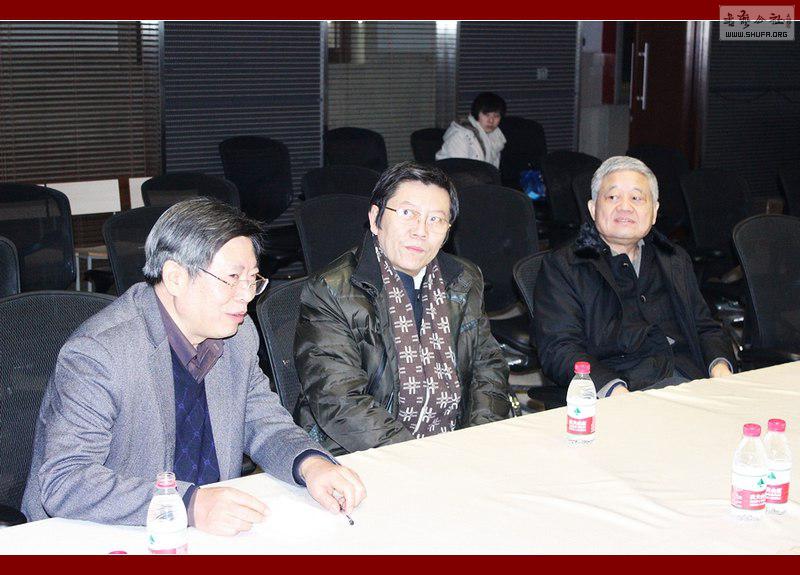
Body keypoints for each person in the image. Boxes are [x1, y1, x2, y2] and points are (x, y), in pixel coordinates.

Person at [22, 198, 365, 535]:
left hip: (205, 532)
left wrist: (310, 463)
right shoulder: (101, 352)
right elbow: (66, 479)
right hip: (106, 532)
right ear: (175, 277)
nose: (247, 295)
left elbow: (262, 421)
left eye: (253, 279)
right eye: (232, 278)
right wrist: (187, 504)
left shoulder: (238, 334)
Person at [294, 162, 511, 455]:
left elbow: (488, 367)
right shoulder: (330, 290)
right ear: (375, 219)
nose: (421, 231)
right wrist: (416, 457)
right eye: (408, 213)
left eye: (436, 219)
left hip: (453, 444)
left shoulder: (464, 279)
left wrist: (477, 440)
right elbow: (339, 400)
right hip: (355, 450)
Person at [533, 156, 734, 398]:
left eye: (636, 198)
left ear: (654, 212)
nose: (625, 207)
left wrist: (720, 368)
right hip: (623, 388)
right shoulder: (563, 266)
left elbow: (705, 326)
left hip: (690, 380)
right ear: (593, 209)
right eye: (613, 197)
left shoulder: (674, 258)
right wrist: (615, 391)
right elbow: (560, 348)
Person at [435, 92, 507, 168]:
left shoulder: (496, 135)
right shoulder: (460, 135)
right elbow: (458, 171)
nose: (491, 121)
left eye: (496, 116)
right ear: (476, 113)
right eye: (486, 115)